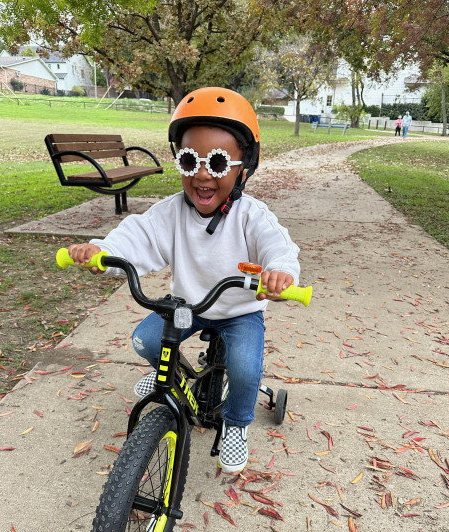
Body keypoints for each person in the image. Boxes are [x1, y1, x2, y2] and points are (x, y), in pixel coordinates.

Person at [66, 87, 300, 474]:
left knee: (244, 368)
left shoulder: (252, 216)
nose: (203, 175)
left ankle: (237, 425)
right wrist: (101, 252)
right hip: (188, 307)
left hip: (238, 311)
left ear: (244, 166)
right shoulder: (170, 212)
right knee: (145, 340)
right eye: (191, 160)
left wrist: (280, 274)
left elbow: (278, 247)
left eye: (220, 162)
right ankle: (170, 377)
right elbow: (136, 236)